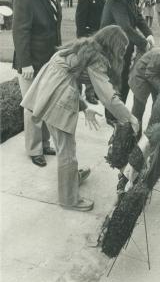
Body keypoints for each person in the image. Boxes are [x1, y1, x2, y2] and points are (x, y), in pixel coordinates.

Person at [21, 26, 139, 212]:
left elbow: (68, 75)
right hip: (58, 95)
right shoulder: (98, 59)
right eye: (122, 49)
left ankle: (72, 178)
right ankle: (69, 199)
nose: (124, 54)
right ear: (114, 46)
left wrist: (84, 108)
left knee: (66, 144)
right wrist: (129, 117)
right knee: (67, 150)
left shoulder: (85, 47)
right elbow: (107, 96)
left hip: (48, 89)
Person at [12, 0, 68, 167]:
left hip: (49, 59)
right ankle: (34, 149)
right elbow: (20, 31)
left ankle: (44, 144)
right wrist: (25, 62)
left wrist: (59, 54)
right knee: (33, 107)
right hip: (31, 62)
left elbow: (55, 28)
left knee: (46, 103)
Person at [101, 0, 155, 104]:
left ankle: (121, 112)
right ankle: (112, 116)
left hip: (124, 46)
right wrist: (143, 43)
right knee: (116, 81)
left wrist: (149, 34)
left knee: (124, 79)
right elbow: (125, 27)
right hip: (114, 47)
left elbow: (138, 18)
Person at [75, 0, 111, 104]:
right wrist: (82, 37)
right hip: (89, 34)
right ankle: (79, 91)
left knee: (97, 64)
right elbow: (80, 16)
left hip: (102, 35)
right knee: (85, 63)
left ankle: (93, 92)